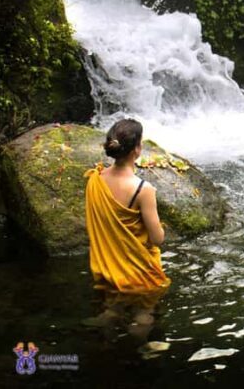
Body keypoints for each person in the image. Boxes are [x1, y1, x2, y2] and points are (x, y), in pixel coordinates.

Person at [83, 119, 169, 338]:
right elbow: (157, 239)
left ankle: (105, 336)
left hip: (107, 269)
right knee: (144, 312)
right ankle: (136, 355)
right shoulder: (143, 189)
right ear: (137, 149)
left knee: (113, 309)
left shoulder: (95, 179)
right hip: (138, 273)